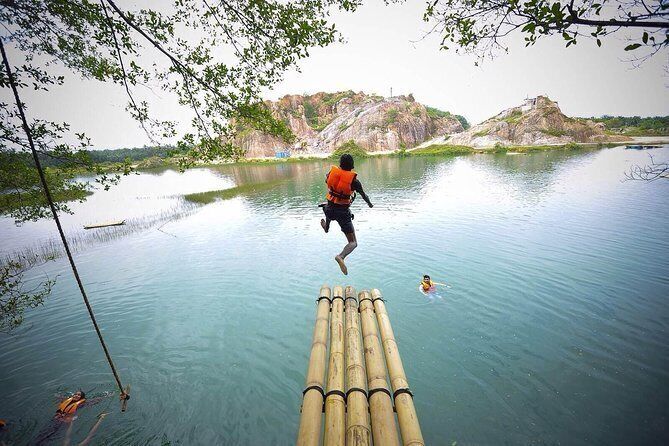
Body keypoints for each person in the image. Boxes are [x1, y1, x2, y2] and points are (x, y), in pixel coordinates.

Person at [320, 153, 373, 275]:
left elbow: (327, 181)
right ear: (352, 166)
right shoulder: (354, 182)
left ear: (339, 164)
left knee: (328, 209)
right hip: (342, 213)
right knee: (353, 242)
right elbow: (364, 195)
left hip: (329, 209)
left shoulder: (331, 174)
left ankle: (326, 227)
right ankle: (341, 256)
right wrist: (370, 204)